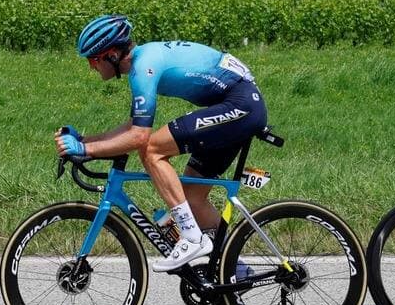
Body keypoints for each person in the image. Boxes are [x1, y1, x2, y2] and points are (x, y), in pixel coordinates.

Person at [56, 14, 267, 271]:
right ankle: (235, 273)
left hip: (240, 105)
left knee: (151, 149)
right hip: (237, 105)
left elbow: (139, 137)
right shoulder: (143, 61)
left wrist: (86, 150)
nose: (91, 67)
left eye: (93, 59)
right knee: (191, 199)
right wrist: (85, 141)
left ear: (111, 54)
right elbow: (134, 125)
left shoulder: (143, 67)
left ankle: (191, 237)